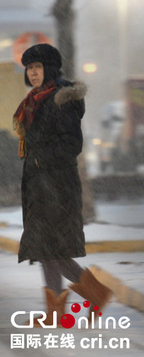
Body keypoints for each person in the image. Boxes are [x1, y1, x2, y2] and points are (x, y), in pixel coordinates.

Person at [14, 43, 111, 326]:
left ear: (50, 69)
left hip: (57, 187)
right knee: (46, 250)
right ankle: (56, 311)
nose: (33, 73)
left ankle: (98, 294)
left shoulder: (60, 100)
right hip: (41, 186)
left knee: (53, 249)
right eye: (29, 68)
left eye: (38, 67)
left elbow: (72, 144)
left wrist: (38, 161)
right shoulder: (36, 100)